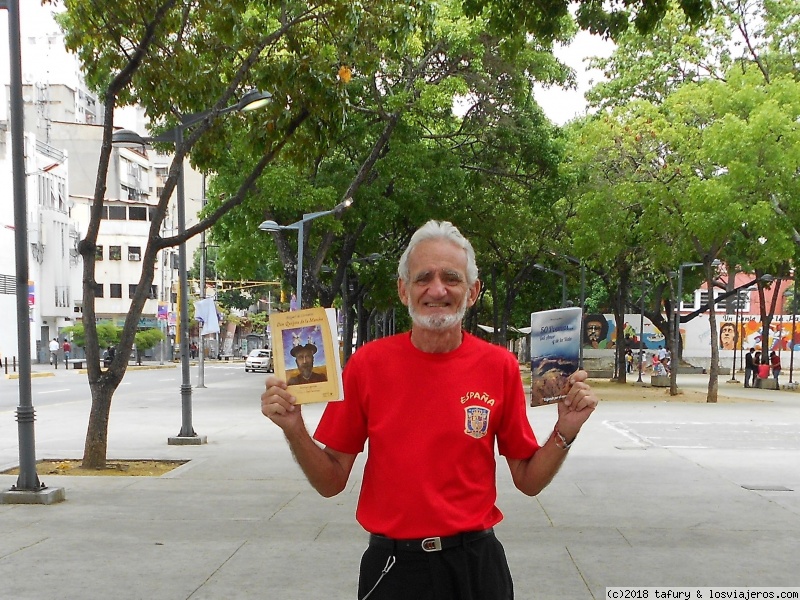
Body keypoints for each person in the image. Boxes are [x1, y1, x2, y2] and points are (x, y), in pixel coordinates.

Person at [261, 220, 599, 600]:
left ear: (472, 292)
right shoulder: (367, 365)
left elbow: (528, 479)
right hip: (393, 569)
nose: (437, 289)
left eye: (451, 278)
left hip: (476, 567)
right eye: (423, 278)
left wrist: (565, 430)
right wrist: (294, 428)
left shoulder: (499, 366)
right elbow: (331, 481)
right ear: (404, 289)